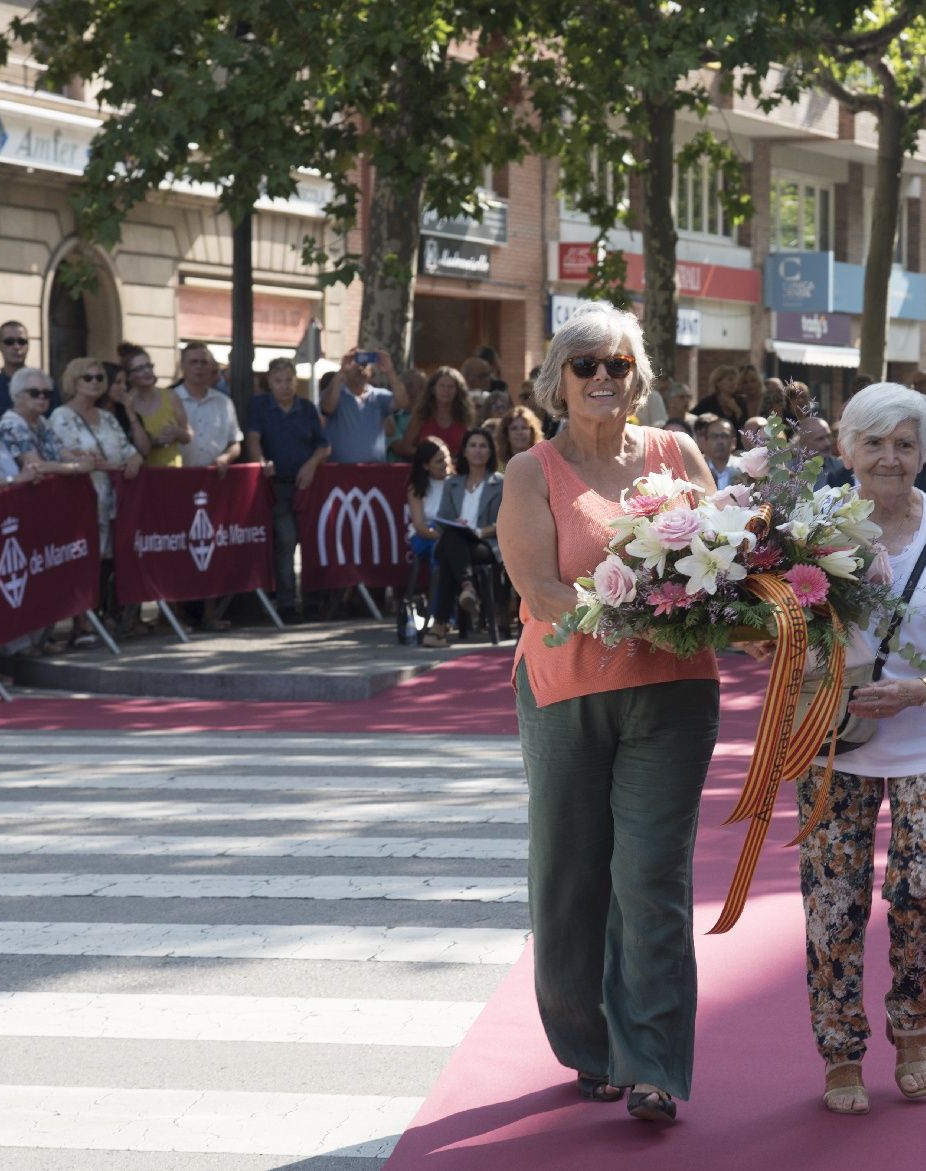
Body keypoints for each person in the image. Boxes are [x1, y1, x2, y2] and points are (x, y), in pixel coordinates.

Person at [497, 305, 718, 1123]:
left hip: (674, 691)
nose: (601, 378)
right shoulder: (532, 470)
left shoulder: (679, 453)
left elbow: (721, 559)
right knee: (571, 874)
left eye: (616, 365)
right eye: (585, 364)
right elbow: (540, 590)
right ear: (558, 378)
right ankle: (590, 1043)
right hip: (564, 688)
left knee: (651, 876)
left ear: (639, 378)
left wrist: (741, 607)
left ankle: (653, 1061)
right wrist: (627, 614)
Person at [791, 381, 926, 1115]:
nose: (889, 456)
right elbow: (771, 636)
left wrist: (922, 689)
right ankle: (841, 1050)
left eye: (904, 442)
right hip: (830, 738)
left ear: (924, 451)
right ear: (845, 449)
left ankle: (912, 1027)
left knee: (923, 890)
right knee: (832, 901)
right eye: (873, 442)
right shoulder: (806, 528)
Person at [246, 357, 331, 623]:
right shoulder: (259, 406)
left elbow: (323, 445)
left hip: (306, 484)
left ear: (296, 380)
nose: (284, 386)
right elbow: (253, 439)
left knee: (312, 540)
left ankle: (313, 601)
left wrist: (312, 464)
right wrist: (260, 461)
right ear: (269, 382)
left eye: (289, 380)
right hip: (277, 485)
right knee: (285, 538)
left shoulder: (306, 408)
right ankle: (285, 603)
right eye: (278, 381)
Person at [51, 356, 141, 561]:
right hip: (81, 502)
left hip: (113, 504)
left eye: (99, 377)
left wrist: (135, 461)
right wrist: (113, 466)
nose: (95, 382)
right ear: (74, 381)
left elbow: (130, 451)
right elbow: (73, 460)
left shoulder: (108, 417)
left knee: (110, 567)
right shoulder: (61, 416)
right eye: (87, 377)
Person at [424, 428, 503, 644]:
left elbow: (505, 522)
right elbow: (441, 520)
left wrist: (479, 531)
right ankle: (467, 586)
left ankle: (439, 627)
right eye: (473, 445)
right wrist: (456, 525)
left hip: (484, 542)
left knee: (452, 553)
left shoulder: (500, 483)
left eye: (483, 446)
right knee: (453, 539)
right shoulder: (453, 483)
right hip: (455, 538)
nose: (477, 450)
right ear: (465, 452)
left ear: (490, 452)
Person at [403, 438, 453, 645]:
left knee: (449, 552)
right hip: (424, 537)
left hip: (451, 535)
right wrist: (443, 537)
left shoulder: (456, 482)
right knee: (439, 552)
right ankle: (440, 618)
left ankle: (445, 617)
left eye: (447, 459)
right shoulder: (416, 487)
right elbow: (420, 526)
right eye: (439, 461)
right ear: (425, 465)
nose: (445, 465)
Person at [321, 349, 408, 463]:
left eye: (366, 364)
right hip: (341, 473)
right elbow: (327, 407)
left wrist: (390, 371)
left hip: (374, 473)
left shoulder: (380, 396)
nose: (361, 368)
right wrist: (341, 371)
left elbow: (403, 402)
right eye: (355, 363)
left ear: (372, 371)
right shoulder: (336, 394)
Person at [0, 368, 82, 477]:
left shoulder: (41, 420)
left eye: (46, 393)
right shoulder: (11, 424)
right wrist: (76, 467)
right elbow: (36, 466)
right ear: (17, 395)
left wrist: (84, 460)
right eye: (34, 393)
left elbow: (63, 454)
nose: (41, 397)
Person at [172, 344, 242, 473]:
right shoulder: (169, 400)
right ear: (182, 366)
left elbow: (235, 443)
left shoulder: (224, 402)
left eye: (204, 362)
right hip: (177, 477)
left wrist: (226, 457)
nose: (199, 367)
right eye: (193, 362)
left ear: (210, 367)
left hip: (214, 478)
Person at [124, 346, 191, 467]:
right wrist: (150, 442)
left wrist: (177, 433)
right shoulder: (126, 402)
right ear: (129, 376)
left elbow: (188, 435)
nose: (147, 371)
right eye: (139, 368)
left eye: (148, 366)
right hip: (140, 474)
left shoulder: (170, 396)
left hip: (171, 472)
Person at [394, 364, 471, 460]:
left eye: (451, 387)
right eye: (442, 386)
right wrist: (430, 455)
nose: (446, 390)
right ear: (433, 389)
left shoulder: (465, 417)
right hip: (427, 470)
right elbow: (404, 448)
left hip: (458, 470)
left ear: (458, 391)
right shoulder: (422, 415)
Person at [0, 320, 51, 418]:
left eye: (22, 342)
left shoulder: (46, 386)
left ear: (27, 346)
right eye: (9, 342)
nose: (16, 347)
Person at [696, 413, 743, 487]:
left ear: (733, 442)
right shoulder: (698, 470)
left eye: (724, 436)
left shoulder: (744, 468)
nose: (719, 441)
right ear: (706, 442)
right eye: (714, 436)